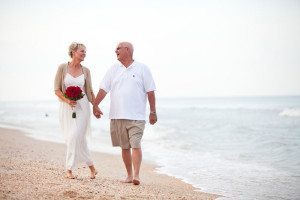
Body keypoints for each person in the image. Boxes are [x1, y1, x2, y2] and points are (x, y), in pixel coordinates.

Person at [93, 41, 157, 185]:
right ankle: (129, 175)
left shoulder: (142, 68)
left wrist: (153, 112)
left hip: (137, 116)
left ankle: (137, 175)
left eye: (118, 48)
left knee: (135, 144)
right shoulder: (113, 69)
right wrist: (95, 105)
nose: (115, 51)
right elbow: (103, 89)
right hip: (117, 115)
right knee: (124, 147)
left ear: (127, 50)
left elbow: (150, 91)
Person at [54, 42, 97, 179]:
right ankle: (92, 168)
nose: (84, 53)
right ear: (73, 51)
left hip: (83, 107)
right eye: (82, 51)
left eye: (85, 52)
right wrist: (67, 100)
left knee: (74, 136)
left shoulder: (86, 71)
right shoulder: (62, 68)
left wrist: (95, 106)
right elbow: (57, 89)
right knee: (75, 138)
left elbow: (89, 91)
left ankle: (69, 169)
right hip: (67, 107)